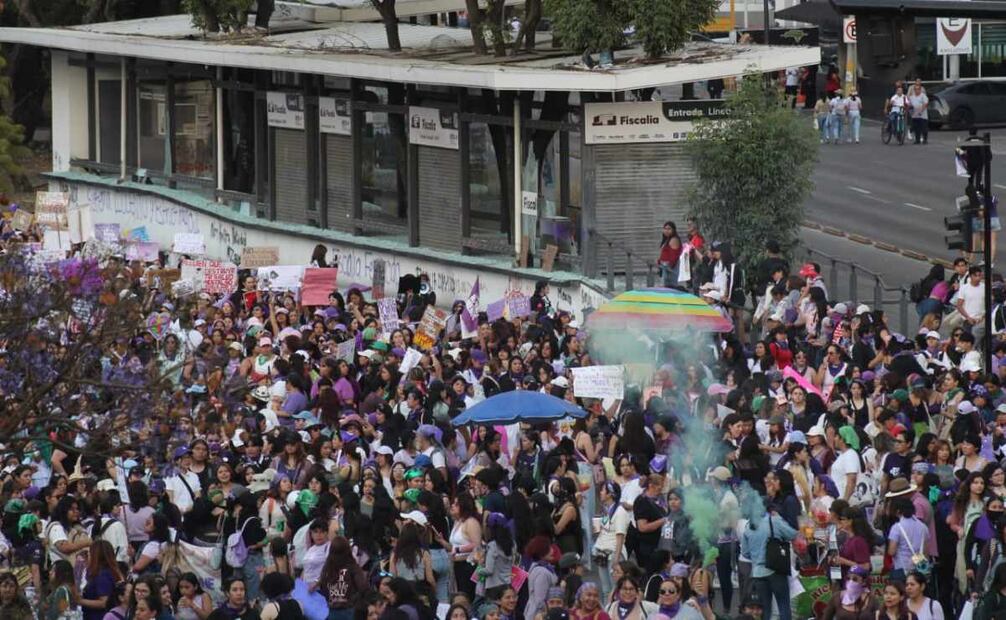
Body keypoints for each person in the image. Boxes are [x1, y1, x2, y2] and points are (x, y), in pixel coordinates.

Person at [741, 509, 797, 620]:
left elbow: (745, 553)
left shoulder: (748, 527)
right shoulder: (774, 521)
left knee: (764, 610)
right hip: (775, 569)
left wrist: (756, 556)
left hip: (757, 573)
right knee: (783, 605)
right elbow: (792, 534)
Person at [657, 222, 683, 288]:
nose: (666, 231)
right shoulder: (667, 240)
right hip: (664, 267)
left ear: (673, 230)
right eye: (665, 229)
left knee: (669, 289)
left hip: (669, 269)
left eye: (669, 229)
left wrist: (668, 267)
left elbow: (673, 256)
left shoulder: (674, 239)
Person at [908, 79, 929, 145]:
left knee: (924, 128)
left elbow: (925, 104)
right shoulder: (912, 97)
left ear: (920, 90)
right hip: (915, 115)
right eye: (915, 89)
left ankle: (925, 140)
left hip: (922, 115)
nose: (917, 91)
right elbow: (909, 104)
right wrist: (910, 109)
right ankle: (917, 140)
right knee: (916, 128)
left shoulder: (923, 95)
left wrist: (921, 110)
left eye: (918, 89)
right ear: (914, 90)